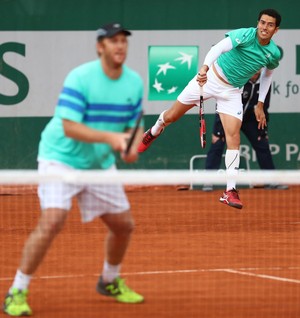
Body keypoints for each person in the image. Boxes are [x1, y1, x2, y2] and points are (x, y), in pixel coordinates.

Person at [3, 22, 144, 317]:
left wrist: (131, 146)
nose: (120, 46)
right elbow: (69, 127)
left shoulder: (134, 83)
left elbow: (134, 125)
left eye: (123, 41)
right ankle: (17, 290)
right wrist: (113, 138)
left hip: (99, 164)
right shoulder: (80, 77)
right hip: (60, 158)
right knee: (53, 220)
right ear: (100, 46)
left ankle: (109, 280)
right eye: (113, 41)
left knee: (123, 225)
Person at [138, 8, 282, 210]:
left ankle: (230, 191)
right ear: (257, 23)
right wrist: (205, 68)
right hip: (210, 79)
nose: (264, 27)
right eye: (262, 23)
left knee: (234, 139)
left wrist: (260, 103)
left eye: (270, 25)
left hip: (232, 92)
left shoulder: (273, 52)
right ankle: (153, 131)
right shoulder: (244, 34)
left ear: (276, 30)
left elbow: (268, 75)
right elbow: (219, 48)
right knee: (171, 116)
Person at [202, 70, 288, 191]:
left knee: (262, 144)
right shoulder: (239, 80)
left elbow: (264, 108)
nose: (256, 71)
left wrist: (263, 131)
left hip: (251, 121)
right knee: (218, 143)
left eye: (259, 68)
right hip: (231, 117)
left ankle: (271, 180)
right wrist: (218, 129)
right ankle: (208, 181)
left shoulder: (264, 82)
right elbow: (222, 105)